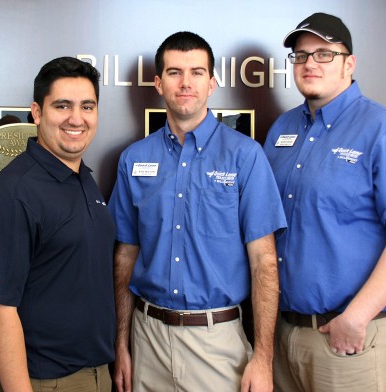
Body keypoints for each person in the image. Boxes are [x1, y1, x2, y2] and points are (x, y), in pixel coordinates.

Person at [109, 31, 286, 392]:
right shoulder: (134, 159)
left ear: (213, 82)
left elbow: (264, 262)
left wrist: (264, 359)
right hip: (148, 340)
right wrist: (122, 344)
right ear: (158, 82)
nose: (185, 83)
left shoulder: (245, 156)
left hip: (217, 343)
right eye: (174, 72)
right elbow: (126, 256)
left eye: (197, 72)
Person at [0, 57, 116, 392]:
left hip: (93, 374)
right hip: (39, 381)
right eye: (62, 106)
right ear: (36, 113)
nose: (76, 119)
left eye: (87, 106)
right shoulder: (14, 193)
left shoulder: (83, 179)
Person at [263, 12, 386, 391]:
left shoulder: (378, 128)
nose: (309, 63)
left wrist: (357, 317)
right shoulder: (282, 128)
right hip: (282, 336)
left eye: (323, 54)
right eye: (300, 55)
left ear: (349, 63)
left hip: (347, 341)